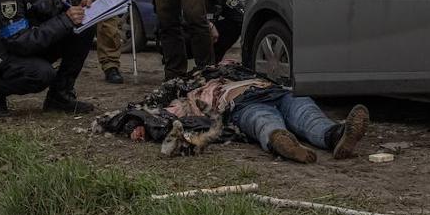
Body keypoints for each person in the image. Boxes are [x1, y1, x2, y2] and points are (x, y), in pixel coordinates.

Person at [102, 61, 370, 163]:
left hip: (270, 91)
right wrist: (138, 125)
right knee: (268, 118)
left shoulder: (237, 68)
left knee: (302, 111)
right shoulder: (184, 89)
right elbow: (150, 108)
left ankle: (336, 136)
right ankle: (283, 140)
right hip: (239, 104)